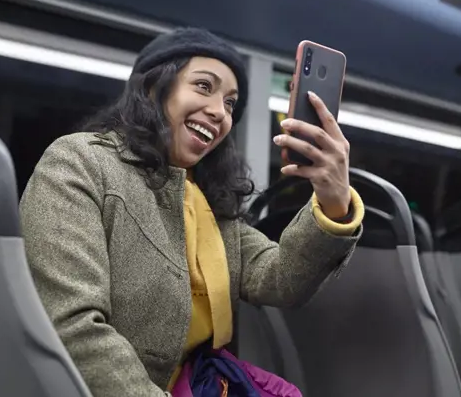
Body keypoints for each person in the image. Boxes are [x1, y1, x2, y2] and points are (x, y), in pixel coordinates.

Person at [19, 27, 365, 396]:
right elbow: (72, 325)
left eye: (230, 103)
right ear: (153, 88)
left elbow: (281, 280)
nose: (219, 112)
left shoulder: (206, 203)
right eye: (203, 86)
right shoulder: (80, 162)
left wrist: (333, 203)